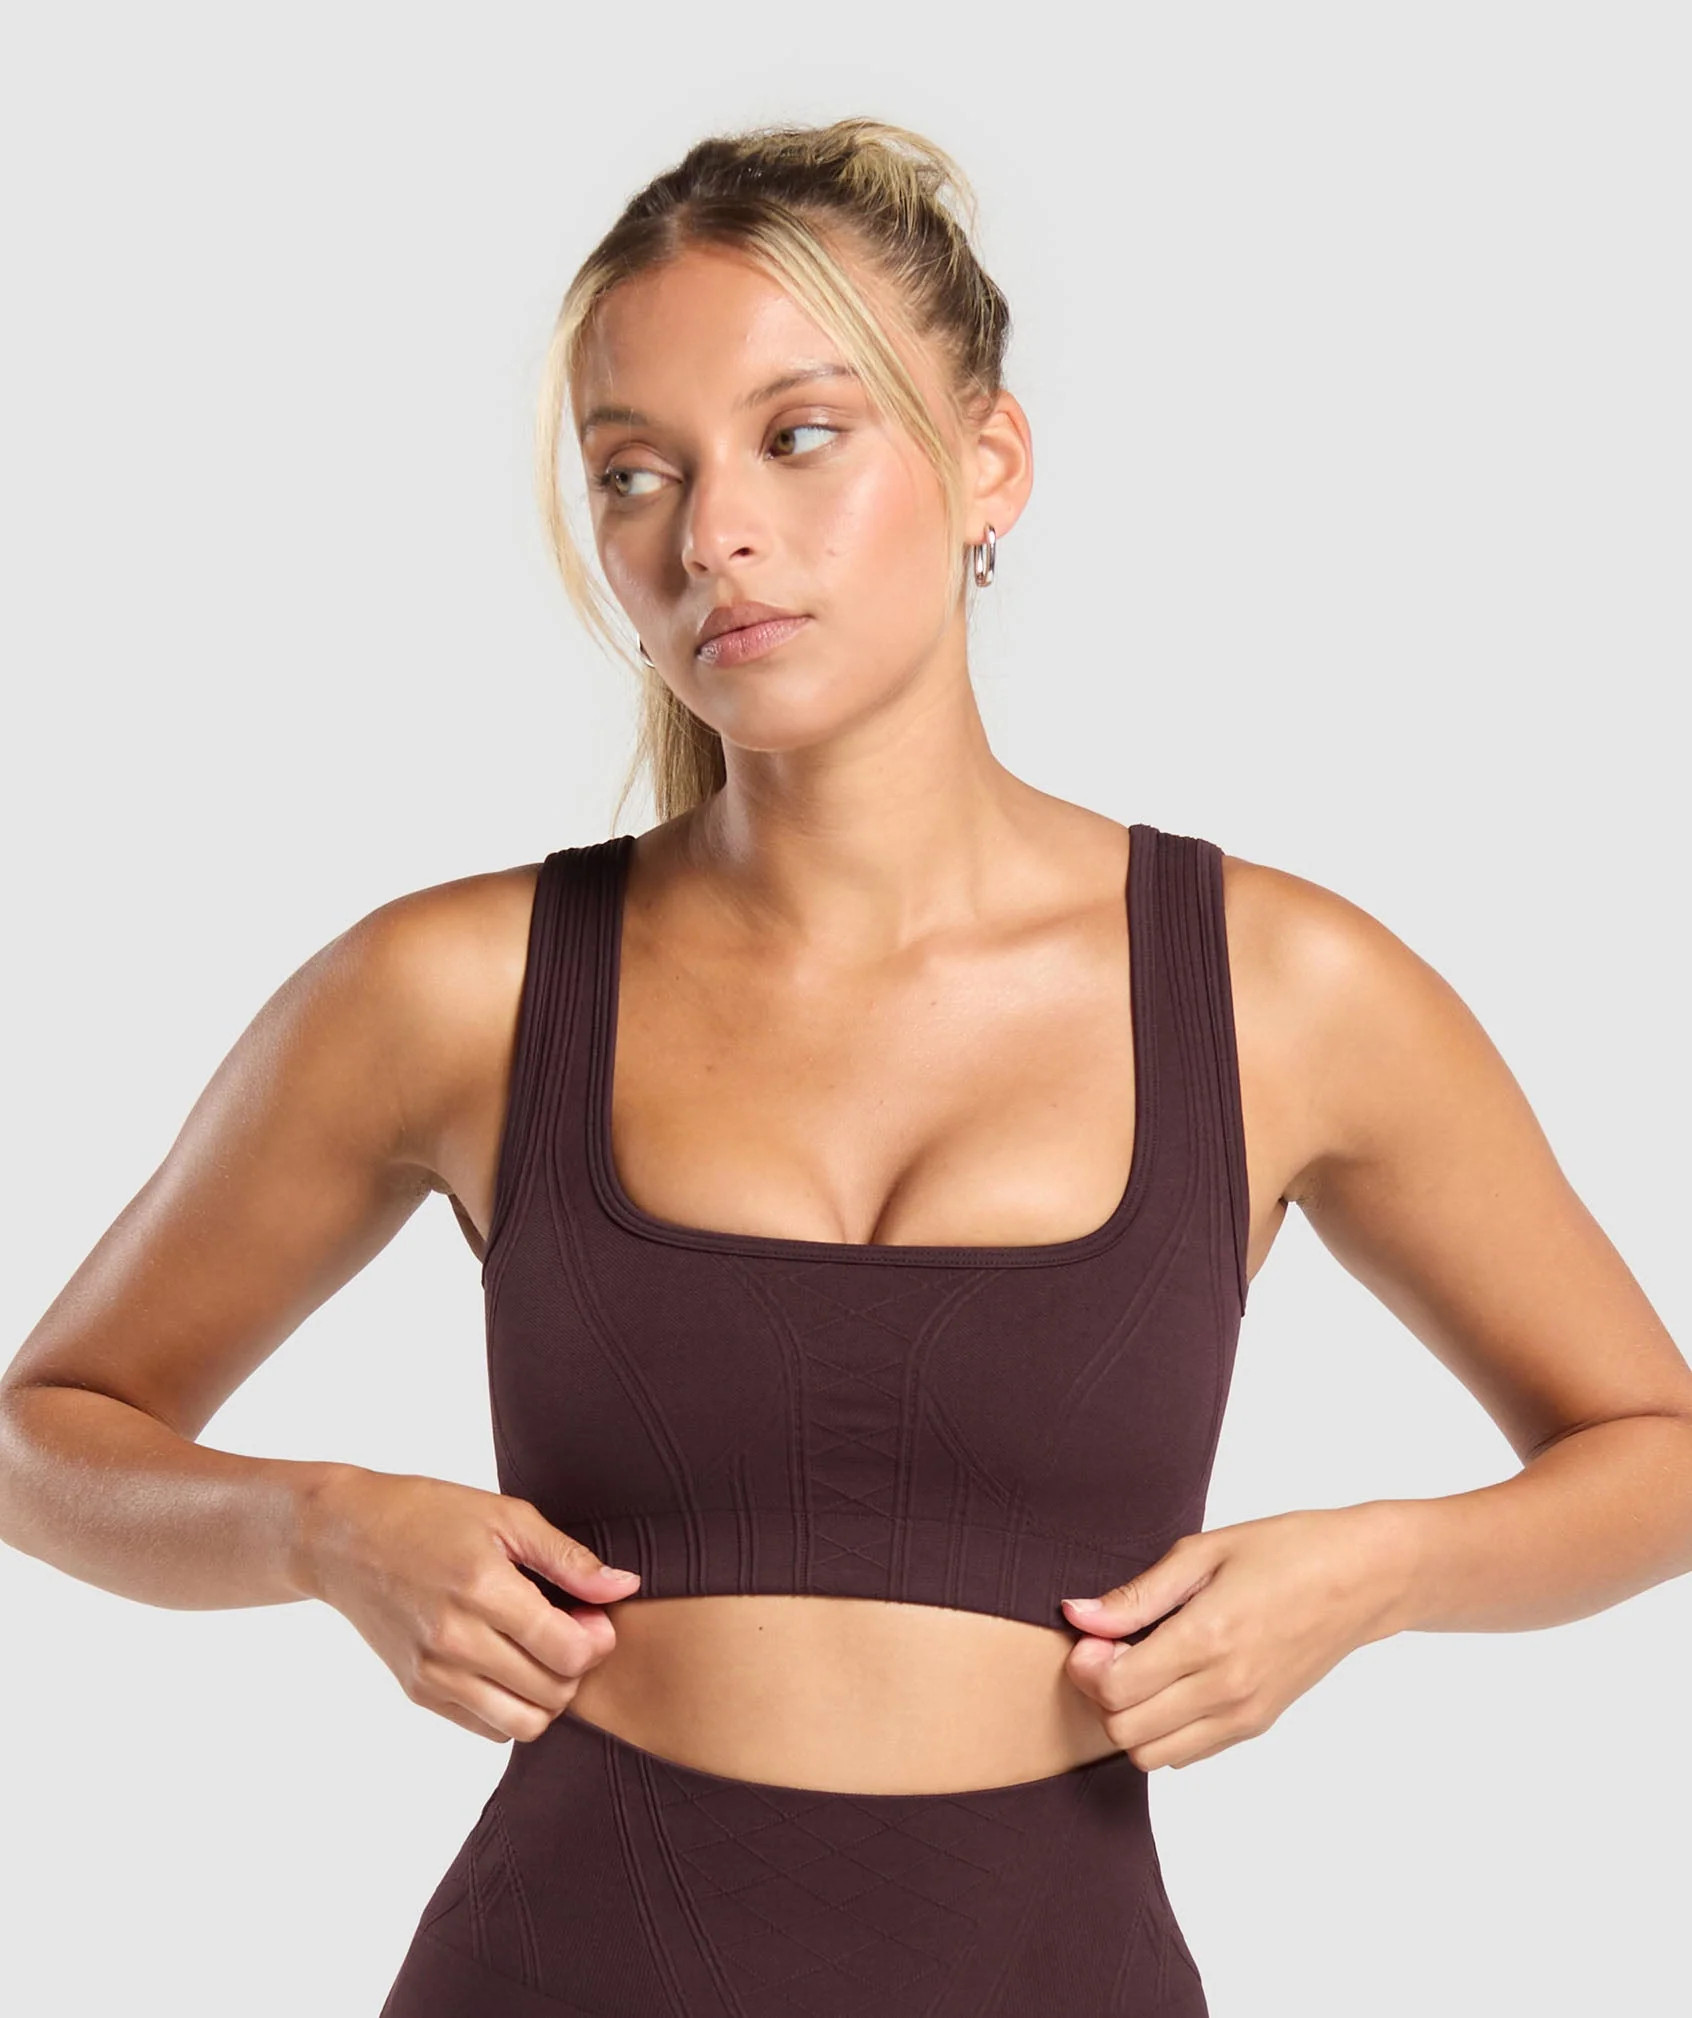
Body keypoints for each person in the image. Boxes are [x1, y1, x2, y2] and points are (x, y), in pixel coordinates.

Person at [3, 115, 1689, 2017]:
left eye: (798, 436)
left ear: (991, 463)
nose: (709, 533)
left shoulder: (1276, 991)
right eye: (634, 472)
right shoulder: (458, 989)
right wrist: (320, 1529)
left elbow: (1657, 1453)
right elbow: (43, 1434)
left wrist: (1375, 1573)